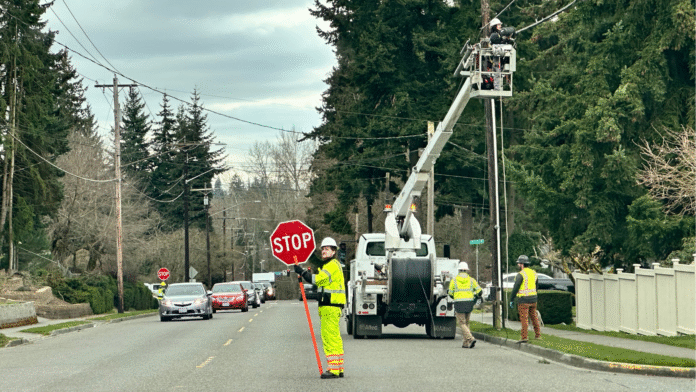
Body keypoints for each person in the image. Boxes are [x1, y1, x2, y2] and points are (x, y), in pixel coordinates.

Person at [295, 237, 346, 379]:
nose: (324, 251)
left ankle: (333, 370)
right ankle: (338, 367)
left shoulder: (331, 266)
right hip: (331, 307)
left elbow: (317, 280)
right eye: (323, 249)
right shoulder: (332, 265)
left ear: (334, 251)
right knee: (335, 338)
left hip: (330, 307)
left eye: (327, 249)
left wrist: (303, 272)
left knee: (329, 338)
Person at [448, 261, 482, 348]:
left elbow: (450, 293)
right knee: (466, 323)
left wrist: (455, 296)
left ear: (459, 270)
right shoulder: (471, 280)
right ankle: (465, 343)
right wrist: (475, 297)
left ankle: (470, 338)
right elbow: (480, 291)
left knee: (462, 323)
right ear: (466, 270)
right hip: (469, 303)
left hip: (459, 303)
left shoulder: (454, 280)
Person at [509, 255, 542, 342]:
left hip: (523, 300)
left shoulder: (521, 274)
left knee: (524, 319)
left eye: (519, 263)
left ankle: (524, 337)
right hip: (533, 299)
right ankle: (538, 335)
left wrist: (511, 299)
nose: (518, 265)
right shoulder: (534, 273)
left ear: (521, 264)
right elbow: (537, 286)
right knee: (534, 317)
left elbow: (516, 287)